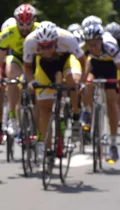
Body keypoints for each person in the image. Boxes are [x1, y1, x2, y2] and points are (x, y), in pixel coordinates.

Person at [23, 22, 87, 160]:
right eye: (42, 46)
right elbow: (27, 67)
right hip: (44, 66)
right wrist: (30, 82)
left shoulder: (68, 39)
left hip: (67, 61)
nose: (46, 49)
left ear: (56, 41)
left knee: (72, 81)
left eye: (49, 46)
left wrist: (82, 82)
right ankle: (47, 147)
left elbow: (82, 61)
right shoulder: (30, 42)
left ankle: (76, 116)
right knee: (44, 108)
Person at [82, 23, 120, 163]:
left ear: (101, 41)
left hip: (110, 67)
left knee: (112, 101)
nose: (92, 47)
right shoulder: (85, 48)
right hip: (95, 64)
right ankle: (88, 112)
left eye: (95, 44)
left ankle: (113, 143)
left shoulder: (111, 47)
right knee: (87, 83)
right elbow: (83, 66)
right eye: (90, 44)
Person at [0, 4, 39, 139]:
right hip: (18, 58)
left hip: (36, 59)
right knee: (12, 77)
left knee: (39, 91)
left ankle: (37, 128)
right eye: (21, 24)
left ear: (34, 20)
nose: (25, 28)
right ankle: (12, 116)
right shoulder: (8, 33)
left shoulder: (40, 30)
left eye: (28, 24)